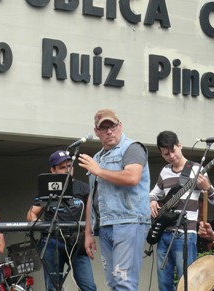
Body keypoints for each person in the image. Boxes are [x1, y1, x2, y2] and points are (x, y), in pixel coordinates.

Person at [78, 108, 151, 291]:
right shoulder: (97, 158)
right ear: (96, 132)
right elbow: (92, 198)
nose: (109, 131)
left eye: (113, 126)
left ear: (121, 126)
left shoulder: (133, 147)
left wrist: (99, 171)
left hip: (129, 221)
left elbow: (132, 178)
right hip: (105, 225)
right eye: (104, 128)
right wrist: (87, 233)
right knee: (113, 283)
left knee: (124, 282)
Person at [149, 130, 214, 291]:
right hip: (164, 233)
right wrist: (152, 201)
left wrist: (207, 188)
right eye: (166, 154)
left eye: (173, 151)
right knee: (164, 284)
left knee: (187, 283)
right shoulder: (165, 171)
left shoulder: (196, 169)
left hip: (186, 234)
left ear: (179, 145)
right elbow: (153, 194)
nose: (171, 156)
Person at [26, 150, 96, 291]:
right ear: (53, 170)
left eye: (69, 166)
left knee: (88, 287)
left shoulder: (83, 188)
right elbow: (32, 213)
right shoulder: (46, 189)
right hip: (53, 241)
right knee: (53, 287)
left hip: (77, 241)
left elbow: (94, 212)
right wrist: (39, 224)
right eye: (62, 167)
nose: (67, 170)